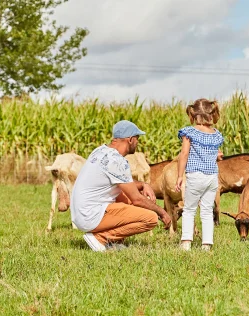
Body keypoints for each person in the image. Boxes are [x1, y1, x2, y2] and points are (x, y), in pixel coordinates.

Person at [70, 120, 172, 251]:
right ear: (130, 139)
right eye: (137, 138)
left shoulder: (101, 151)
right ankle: (100, 238)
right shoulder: (117, 161)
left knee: (126, 197)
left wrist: (142, 184)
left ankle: (113, 242)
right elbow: (137, 199)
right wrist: (162, 212)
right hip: (91, 216)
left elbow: (119, 181)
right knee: (150, 218)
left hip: (82, 213)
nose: (138, 142)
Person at [176, 99, 224, 251]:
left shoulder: (190, 132)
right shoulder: (216, 135)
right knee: (207, 211)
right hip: (212, 177)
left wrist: (179, 176)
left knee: (189, 210)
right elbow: (216, 153)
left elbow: (184, 154)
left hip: (195, 175)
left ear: (194, 114)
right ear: (211, 113)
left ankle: (186, 243)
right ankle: (207, 244)